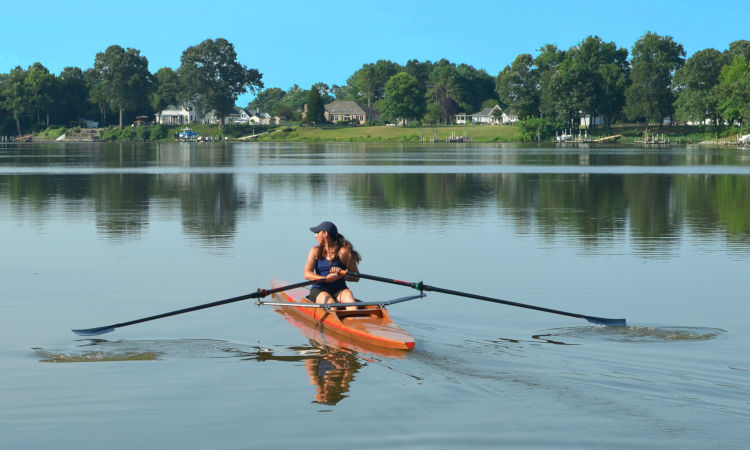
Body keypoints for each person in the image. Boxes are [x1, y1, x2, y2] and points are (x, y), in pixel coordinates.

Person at [304, 221, 361, 309]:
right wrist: (325, 279)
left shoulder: (344, 252)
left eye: (317, 232)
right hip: (320, 288)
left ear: (325, 234)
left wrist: (341, 275)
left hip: (340, 289)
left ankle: (354, 320)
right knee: (331, 304)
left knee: (352, 303)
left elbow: (356, 277)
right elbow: (307, 274)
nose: (315, 236)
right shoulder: (314, 251)